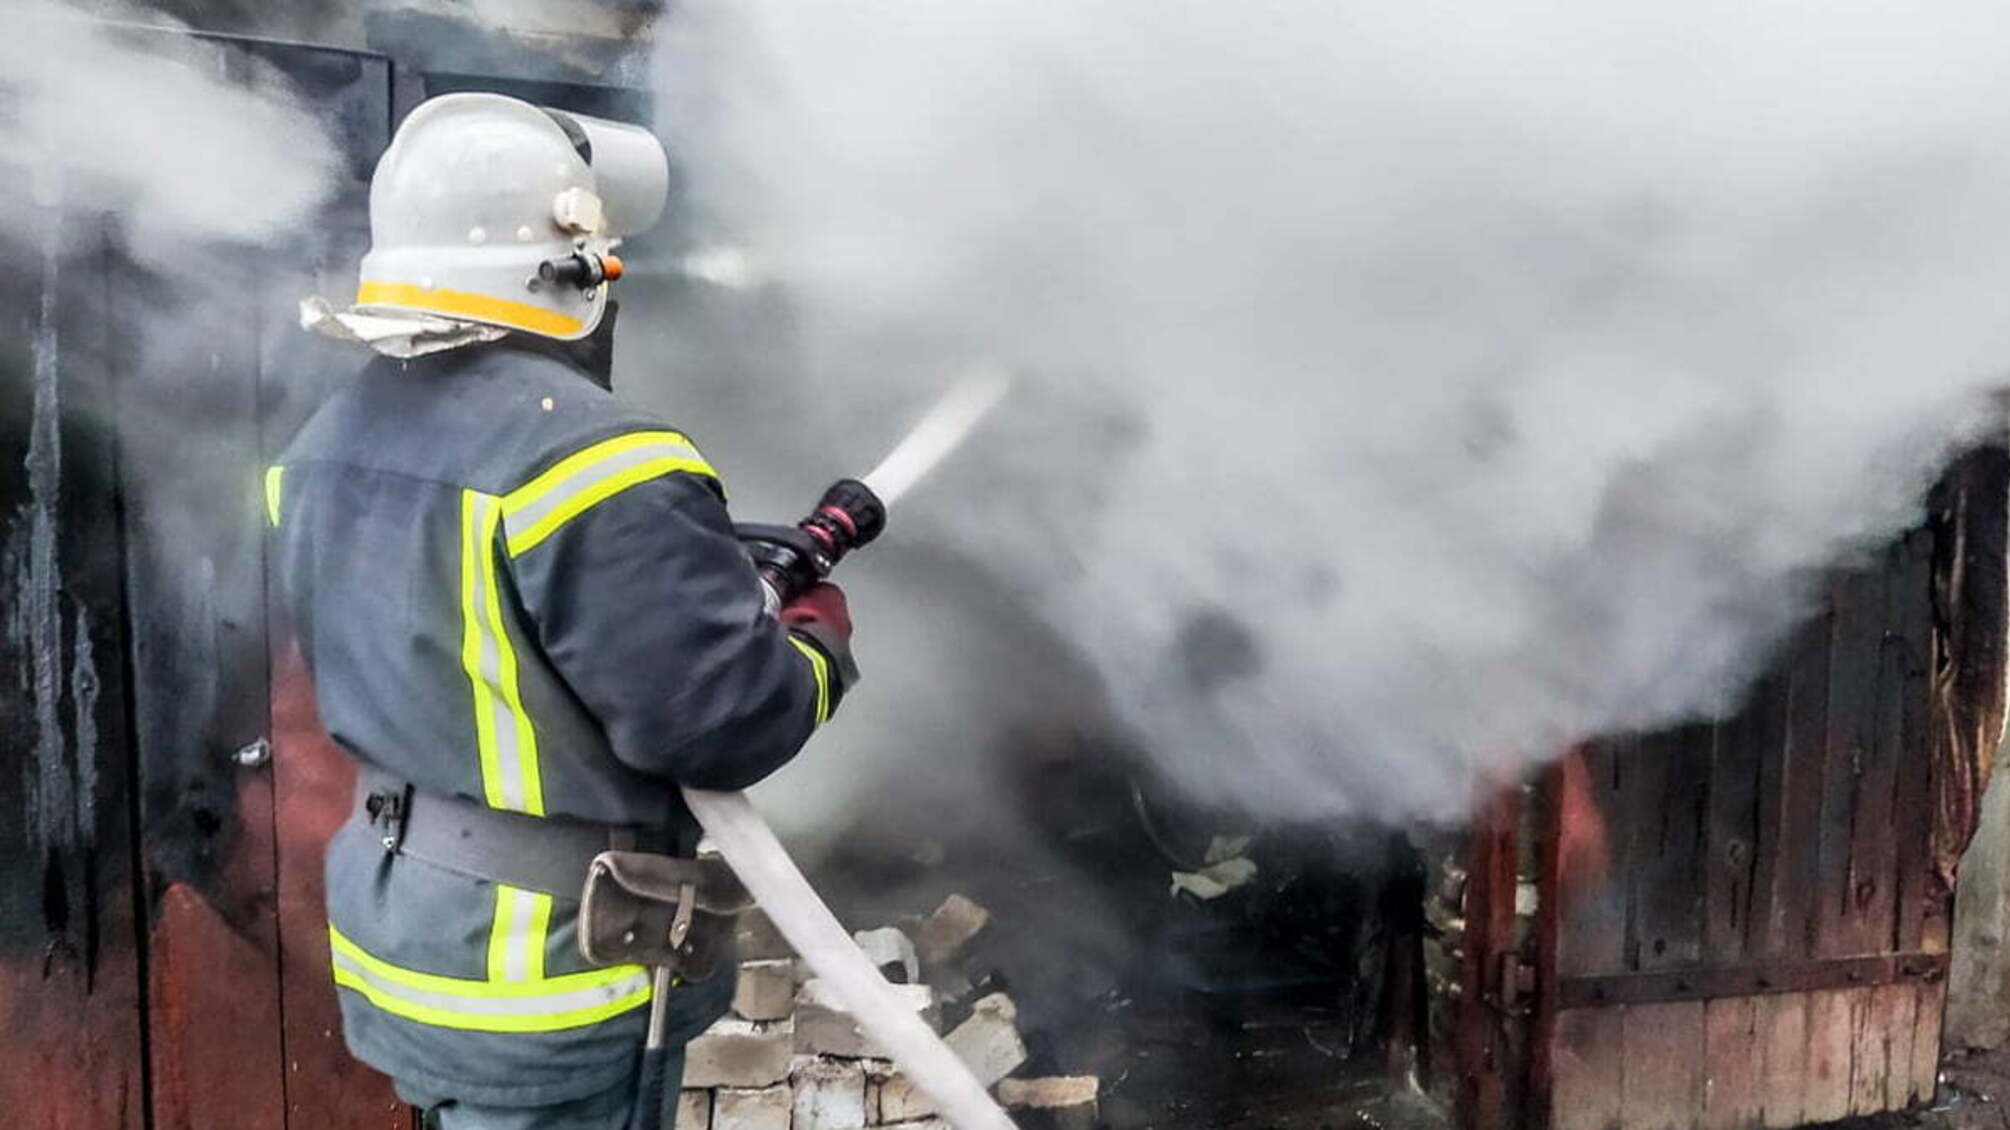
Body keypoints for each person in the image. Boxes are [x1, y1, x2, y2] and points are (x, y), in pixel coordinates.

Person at [269, 92, 854, 1129]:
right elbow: (721, 721)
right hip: (544, 977)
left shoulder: (327, 436)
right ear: (575, 264)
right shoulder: (594, 458)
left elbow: (467, 632)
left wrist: (690, 581)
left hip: (403, 937)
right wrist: (815, 641)